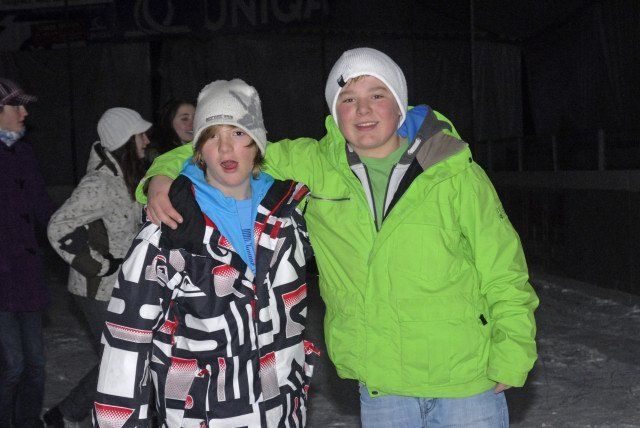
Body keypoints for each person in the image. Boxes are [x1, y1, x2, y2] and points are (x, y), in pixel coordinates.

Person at [138, 48, 538, 427]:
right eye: (348, 99)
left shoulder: (453, 172)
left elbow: (503, 268)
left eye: (377, 95)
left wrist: (513, 350)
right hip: (383, 383)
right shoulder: (314, 164)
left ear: (399, 105)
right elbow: (231, 146)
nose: (363, 110)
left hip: (467, 379)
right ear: (334, 111)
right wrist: (160, 175)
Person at [93, 79, 318, 427]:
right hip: (202, 417)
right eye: (212, 136)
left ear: (258, 142)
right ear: (198, 149)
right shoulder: (171, 227)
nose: (226, 148)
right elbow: (127, 341)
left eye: (239, 133)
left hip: (281, 413)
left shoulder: (287, 218)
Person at [45, 108, 152, 427]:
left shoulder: (126, 177)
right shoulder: (100, 183)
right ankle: (71, 414)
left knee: (122, 358)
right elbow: (59, 226)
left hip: (121, 287)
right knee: (121, 360)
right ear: (124, 140)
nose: (146, 140)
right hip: (97, 291)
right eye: (140, 134)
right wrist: (97, 264)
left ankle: (66, 414)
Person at [0, 78, 53, 428]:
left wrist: (70, 236)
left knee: (35, 362)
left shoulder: (23, 152)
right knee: (13, 365)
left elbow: (44, 210)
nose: (24, 113)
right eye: (15, 105)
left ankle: (28, 421)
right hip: (2, 280)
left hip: (27, 275)